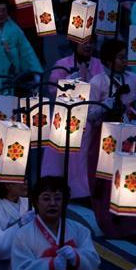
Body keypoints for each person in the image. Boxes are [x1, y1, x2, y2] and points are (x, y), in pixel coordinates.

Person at [5, 176, 100, 270]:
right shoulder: (23, 235)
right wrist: (50, 265)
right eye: (46, 198)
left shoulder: (79, 230)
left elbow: (93, 261)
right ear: (36, 202)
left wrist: (76, 256)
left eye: (58, 198)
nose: (53, 204)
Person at [88, 39, 136, 237]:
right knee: (106, 180)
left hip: (128, 133)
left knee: (130, 177)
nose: (125, 61)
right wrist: (104, 105)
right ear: (108, 60)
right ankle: (108, 222)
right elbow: (88, 114)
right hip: (104, 136)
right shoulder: (97, 81)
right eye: (120, 57)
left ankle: (130, 223)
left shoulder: (132, 79)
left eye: (125, 57)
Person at [42, 38, 104, 199]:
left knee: (82, 158)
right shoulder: (63, 62)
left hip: (90, 119)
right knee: (58, 157)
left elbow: (104, 87)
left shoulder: (99, 64)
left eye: (92, 42)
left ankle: (82, 191)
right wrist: (69, 82)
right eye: (85, 42)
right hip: (65, 117)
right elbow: (51, 87)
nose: (89, 45)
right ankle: (54, 189)